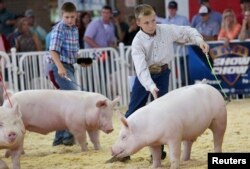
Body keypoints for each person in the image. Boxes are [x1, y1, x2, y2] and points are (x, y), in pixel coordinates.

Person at [110, 4, 209, 162]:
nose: (151, 25)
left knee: (162, 114)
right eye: (147, 22)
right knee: (132, 111)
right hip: (144, 77)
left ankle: (158, 153)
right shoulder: (137, 42)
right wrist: (150, 86)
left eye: (153, 20)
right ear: (138, 23)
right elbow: (141, 69)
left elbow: (186, 31)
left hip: (163, 73)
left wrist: (199, 40)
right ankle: (124, 149)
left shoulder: (166, 30)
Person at [49, 2, 79, 146]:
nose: (69, 20)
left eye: (72, 17)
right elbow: (53, 51)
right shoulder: (59, 28)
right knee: (74, 97)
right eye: (67, 17)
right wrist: (60, 68)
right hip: (58, 66)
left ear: (76, 15)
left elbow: (73, 52)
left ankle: (59, 139)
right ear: (62, 16)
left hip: (68, 66)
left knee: (63, 103)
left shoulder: (74, 29)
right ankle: (69, 135)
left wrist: (81, 61)